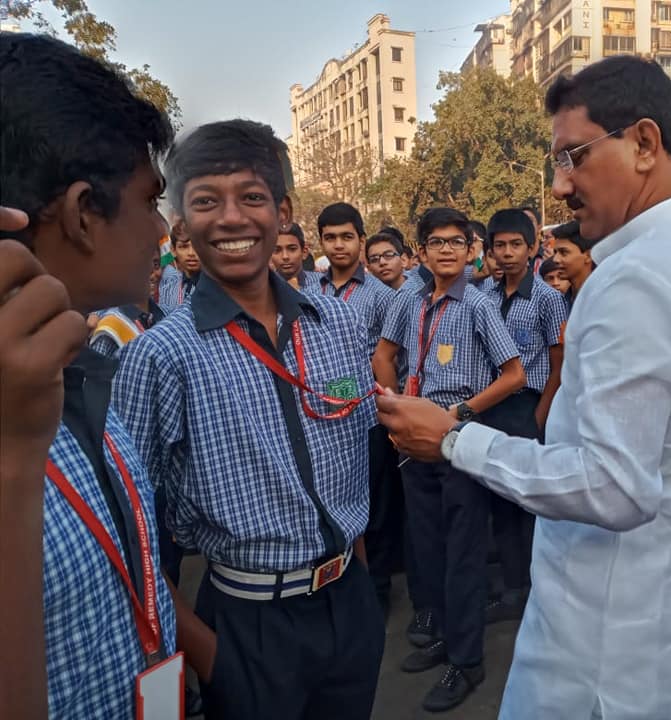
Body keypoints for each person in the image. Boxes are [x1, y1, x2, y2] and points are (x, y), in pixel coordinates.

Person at [375, 55, 671, 720]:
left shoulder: (633, 279)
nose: (559, 186)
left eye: (572, 157)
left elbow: (614, 486)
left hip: (610, 659)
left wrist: (456, 442)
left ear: (642, 143)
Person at [111, 120, 385, 720]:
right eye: (207, 201)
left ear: (283, 212)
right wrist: (210, 654)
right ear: (180, 223)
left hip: (349, 606)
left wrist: (356, 578)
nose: (232, 219)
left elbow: (355, 459)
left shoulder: (333, 325)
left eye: (252, 198)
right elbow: (128, 529)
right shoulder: (160, 355)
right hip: (245, 623)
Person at [0, 33, 178, 720]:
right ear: (81, 214)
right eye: (149, 201)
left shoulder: (85, 367)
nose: (164, 230)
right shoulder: (15, 432)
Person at [374, 207, 526, 712]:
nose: (446, 250)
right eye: (436, 241)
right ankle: (443, 632)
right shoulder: (408, 301)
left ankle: (468, 660)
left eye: (456, 242)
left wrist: (459, 412)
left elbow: (513, 375)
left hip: (460, 439)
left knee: (463, 553)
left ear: (471, 251)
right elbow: (383, 354)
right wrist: (395, 404)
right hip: (414, 443)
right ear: (421, 251)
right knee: (428, 547)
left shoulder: (479, 305)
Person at [481, 208, 567, 624]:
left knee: (531, 503)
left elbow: (558, 362)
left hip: (529, 405)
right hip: (493, 405)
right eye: (500, 246)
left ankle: (540, 588)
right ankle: (513, 587)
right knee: (501, 499)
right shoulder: (486, 298)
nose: (508, 253)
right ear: (491, 251)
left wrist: (541, 415)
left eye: (517, 244)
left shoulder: (548, 299)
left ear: (533, 247)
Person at [317, 202, 394, 357]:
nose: (338, 245)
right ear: (321, 243)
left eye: (347, 237)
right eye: (330, 238)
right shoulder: (310, 292)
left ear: (362, 241)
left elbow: (393, 360)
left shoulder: (382, 295)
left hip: (366, 380)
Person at [90, 244, 167, 358]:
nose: (152, 273)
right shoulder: (110, 329)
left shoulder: (164, 315)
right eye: (142, 265)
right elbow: (96, 375)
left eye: (156, 264)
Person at [550, 220, 594, 310]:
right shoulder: (564, 299)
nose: (555, 259)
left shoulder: (601, 298)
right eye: (555, 252)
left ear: (588, 255)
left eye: (564, 252)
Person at [158, 220, 201, 311]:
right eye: (184, 247)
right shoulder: (167, 289)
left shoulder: (220, 288)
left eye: (197, 246)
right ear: (173, 250)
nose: (191, 253)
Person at [272, 221, 320, 292]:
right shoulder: (259, 289)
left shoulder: (322, 284)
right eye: (277, 250)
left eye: (292, 249)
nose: (285, 256)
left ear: (304, 252)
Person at [520, 206, 544, 273]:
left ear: (539, 227)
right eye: (521, 221)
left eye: (530, 220)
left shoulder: (549, 256)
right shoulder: (512, 258)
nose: (526, 224)